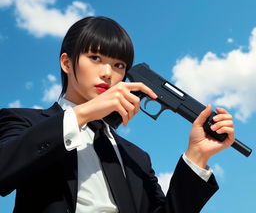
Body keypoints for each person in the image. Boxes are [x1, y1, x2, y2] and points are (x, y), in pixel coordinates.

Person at [0, 16, 235, 213]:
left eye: (119, 65)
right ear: (66, 62)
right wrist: (85, 113)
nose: (107, 73)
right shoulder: (23, 122)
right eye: (95, 58)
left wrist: (197, 156)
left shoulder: (137, 158)